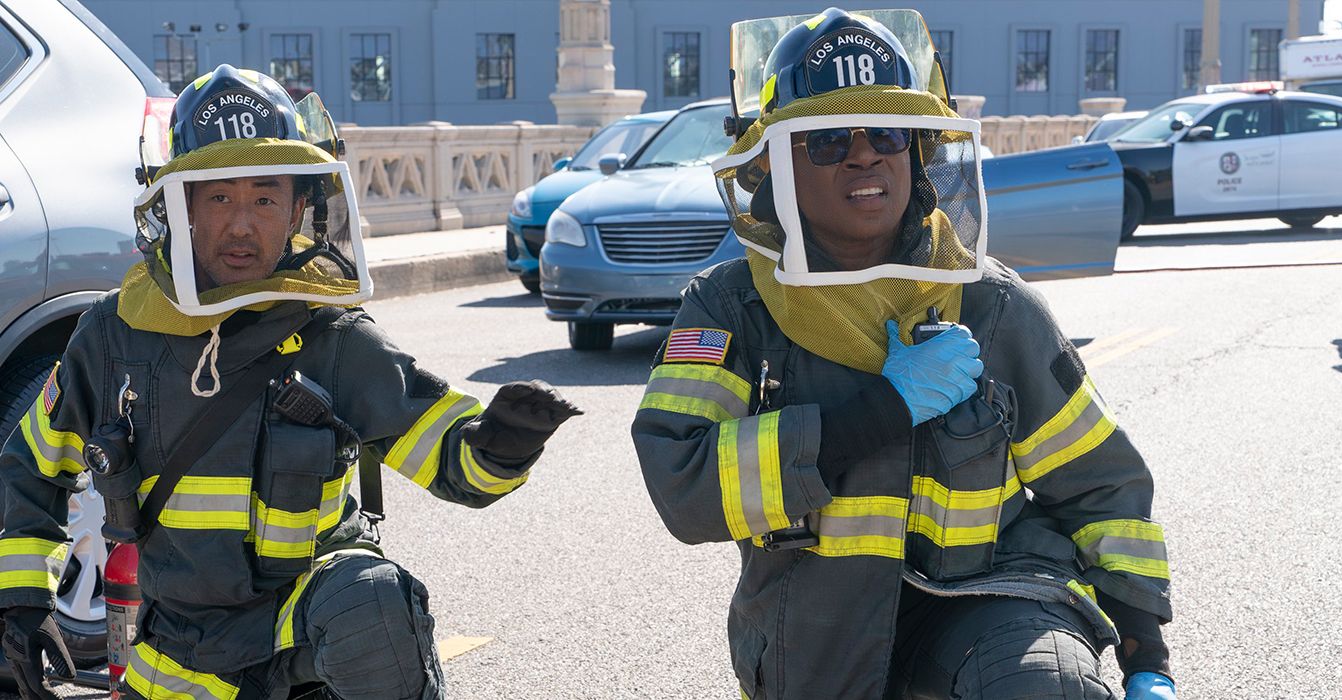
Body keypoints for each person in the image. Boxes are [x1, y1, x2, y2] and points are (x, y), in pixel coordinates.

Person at [632, 9, 1174, 700]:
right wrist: (880, 411)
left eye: (887, 132)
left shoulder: (989, 303)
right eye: (827, 139)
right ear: (776, 164)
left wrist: (1146, 655)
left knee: (1047, 688)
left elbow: (1102, 485)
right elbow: (684, 487)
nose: (864, 154)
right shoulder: (731, 309)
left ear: (915, 151)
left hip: (994, 598)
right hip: (819, 643)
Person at [0, 65, 579, 700]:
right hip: (172, 647)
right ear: (179, 206)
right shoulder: (113, 334)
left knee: (371, 601)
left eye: (266, 196)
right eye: (219, 196)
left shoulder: (334, 338)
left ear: (302, 207)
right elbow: (28, 468)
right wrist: (17, 609)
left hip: (296, 629)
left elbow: (453, 462)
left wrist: (502, 442)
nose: (242, 224)